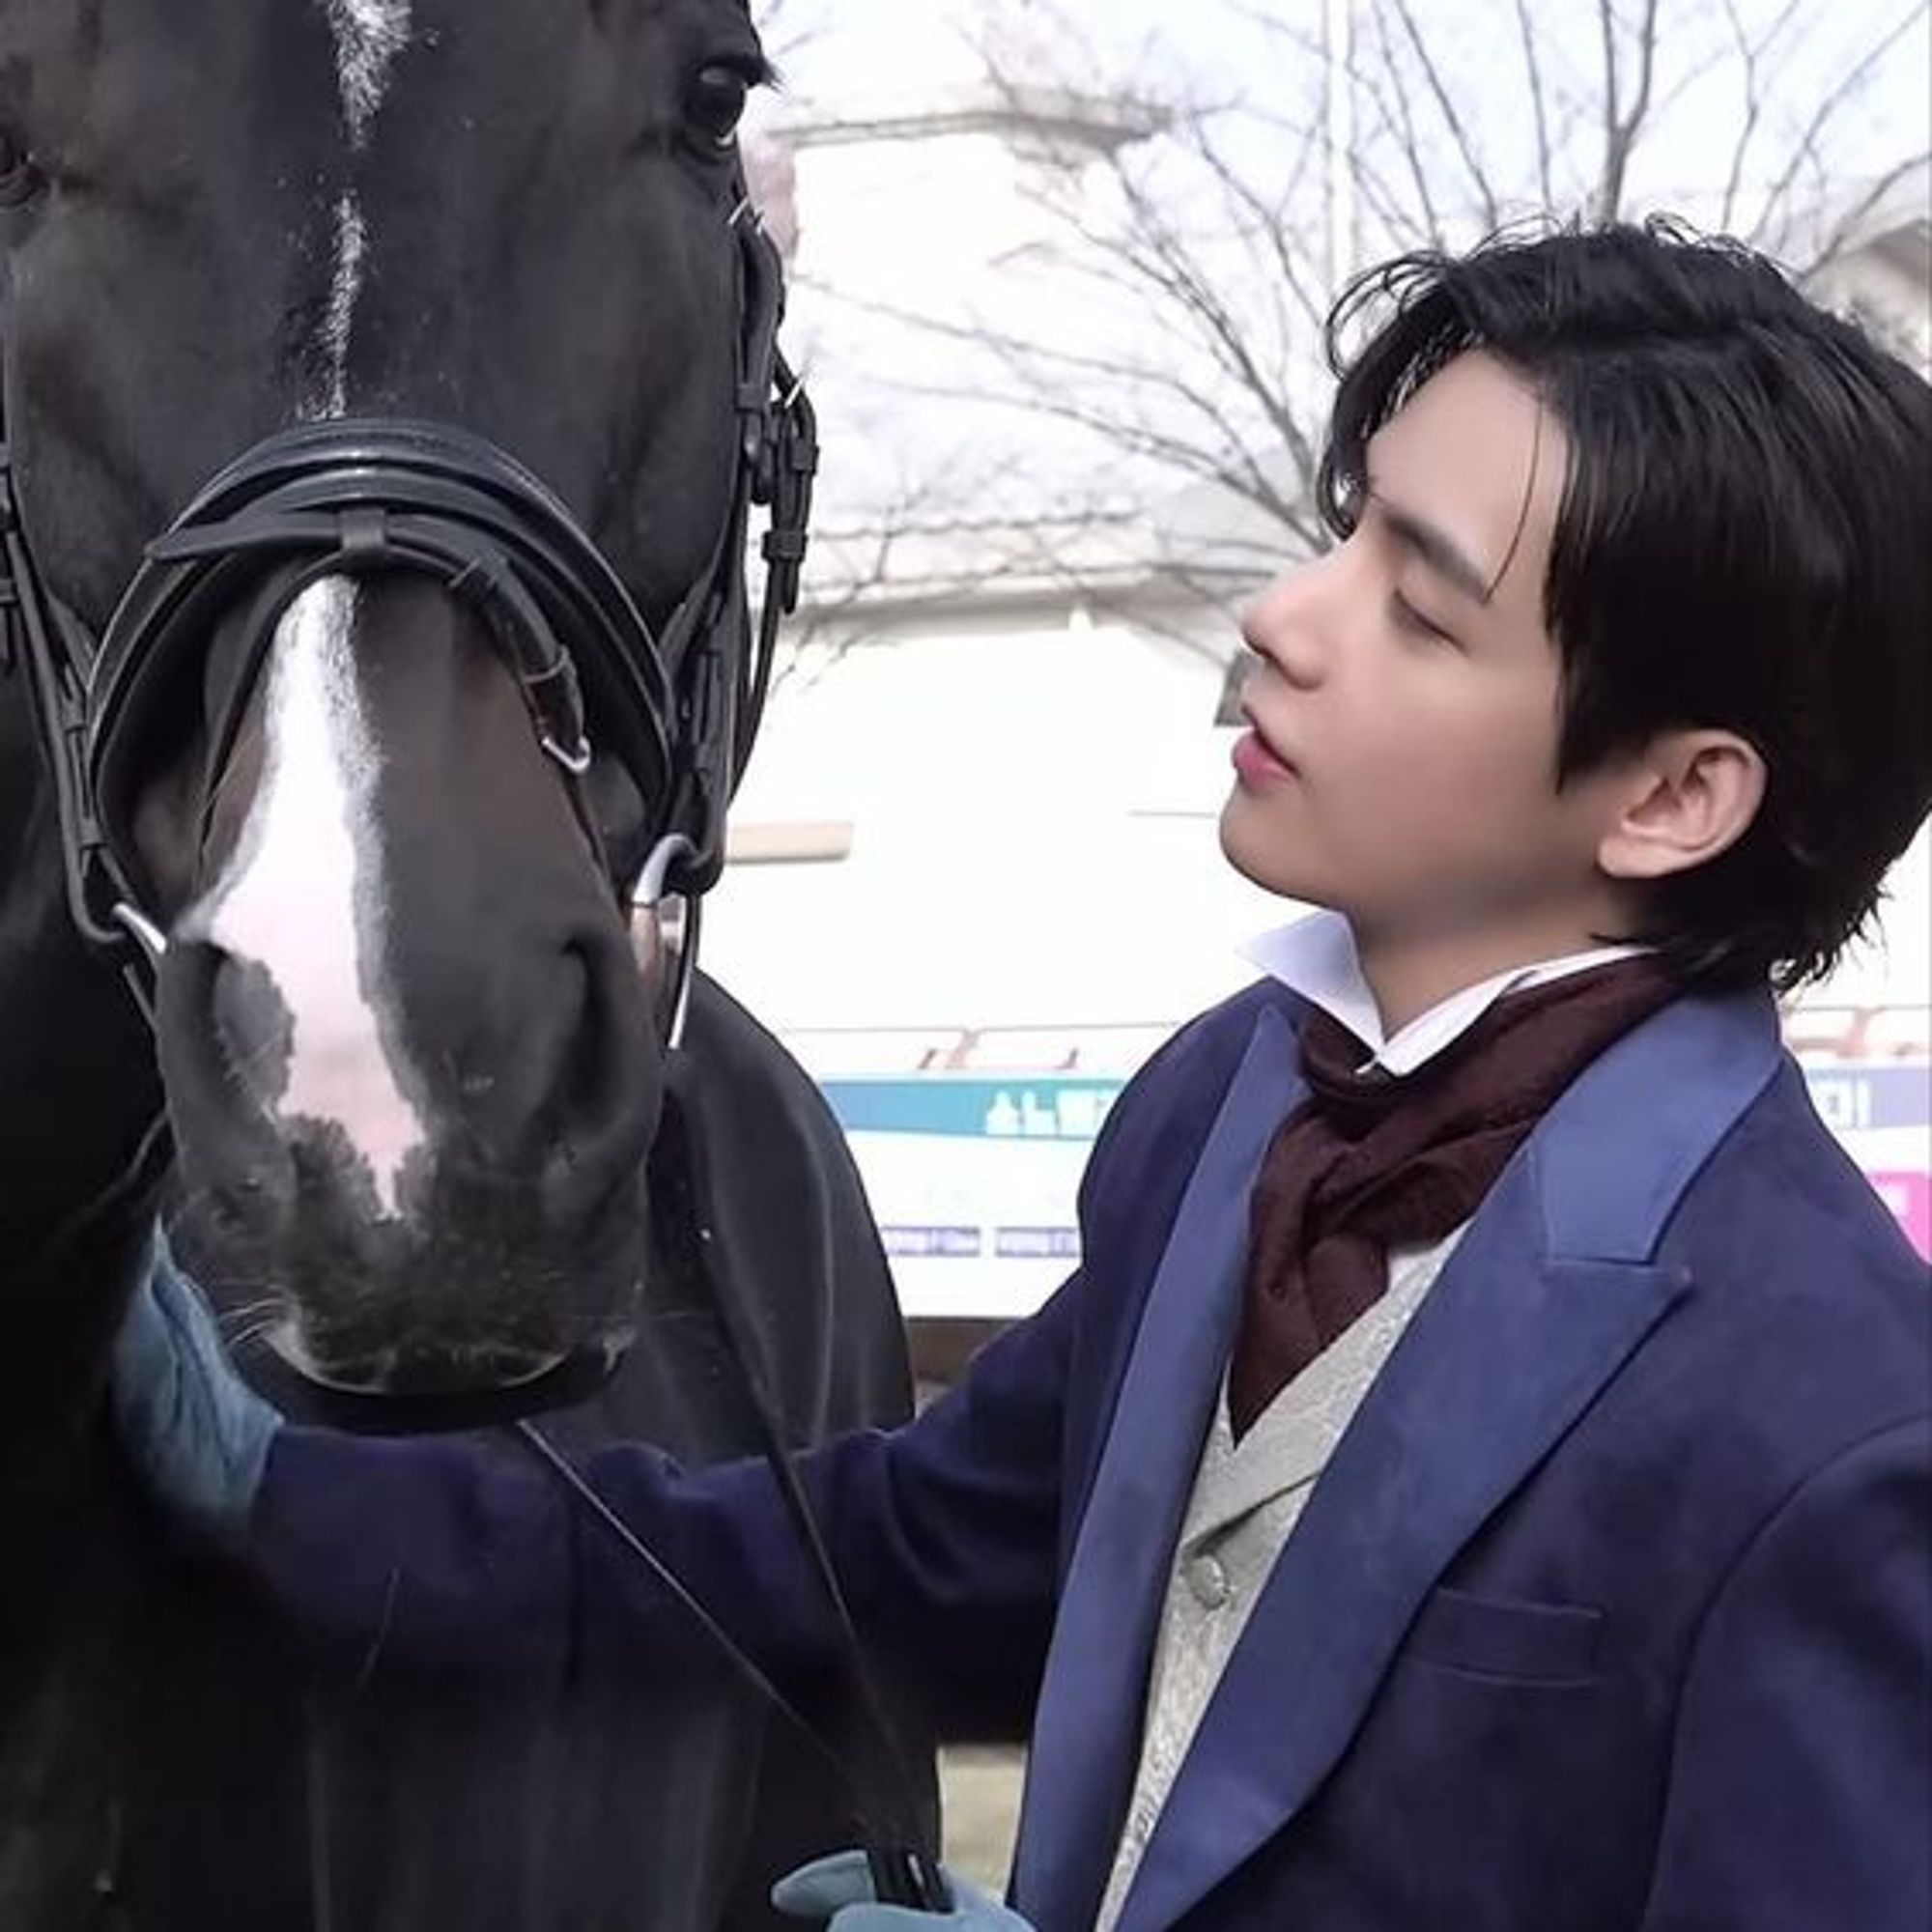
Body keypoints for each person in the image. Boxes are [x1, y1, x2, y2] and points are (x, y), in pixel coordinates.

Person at [113, 218, 1931, 1931]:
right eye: (1345, 534)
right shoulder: (1221, 1117)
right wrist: (277, 1486)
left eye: (1422, 610)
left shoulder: (1841, 1429)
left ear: (1677, 796)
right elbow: (885, 1560)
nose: (1288, 618)